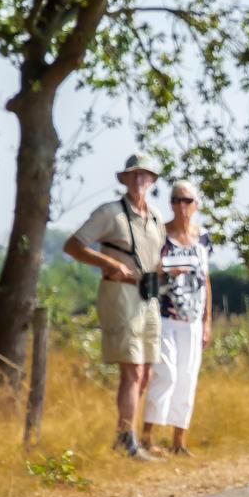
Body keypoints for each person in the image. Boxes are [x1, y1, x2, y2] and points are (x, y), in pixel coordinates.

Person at [64, 153, 165, 460]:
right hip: (120, 293)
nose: (139, 180)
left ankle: (127, 435)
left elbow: (155, 258)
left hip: (148, 297)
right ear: (123, 179)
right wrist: (109, 263)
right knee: (132, 370)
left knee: (146, 371)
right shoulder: (110, 213)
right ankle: (126, 440)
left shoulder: (156, 217)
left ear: (153, 181)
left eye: (145, 175)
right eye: (133, 175)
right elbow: (73, 245)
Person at [141, 180, 213, 456]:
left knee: (187, 377)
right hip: (165, 315)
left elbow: (206, 279)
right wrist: (165, 272)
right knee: (166, 373)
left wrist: (207, 321)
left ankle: (179, 440)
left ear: (196, 205)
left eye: (186, 200)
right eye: (175, 200)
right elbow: (147, 270)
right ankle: (148, 435)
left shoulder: (203, 238)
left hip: (193, 318)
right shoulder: (161, 235)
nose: (181, 206)